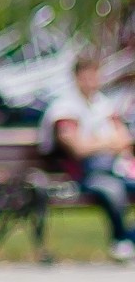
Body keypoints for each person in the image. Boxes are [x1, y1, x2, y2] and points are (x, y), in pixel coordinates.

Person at [38, 49, 135, 264]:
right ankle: (121, 239)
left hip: (113, 169)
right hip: (80, 175)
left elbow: (125, 140)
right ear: (76, 77)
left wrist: (99, 143)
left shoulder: (103, 104)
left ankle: (128, 239)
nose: (92, 81)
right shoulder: (64, 108)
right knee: (111, 190)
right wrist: (108, 143)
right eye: (87, 76)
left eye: (95, 75)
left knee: (118, 184)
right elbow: (77, 149)